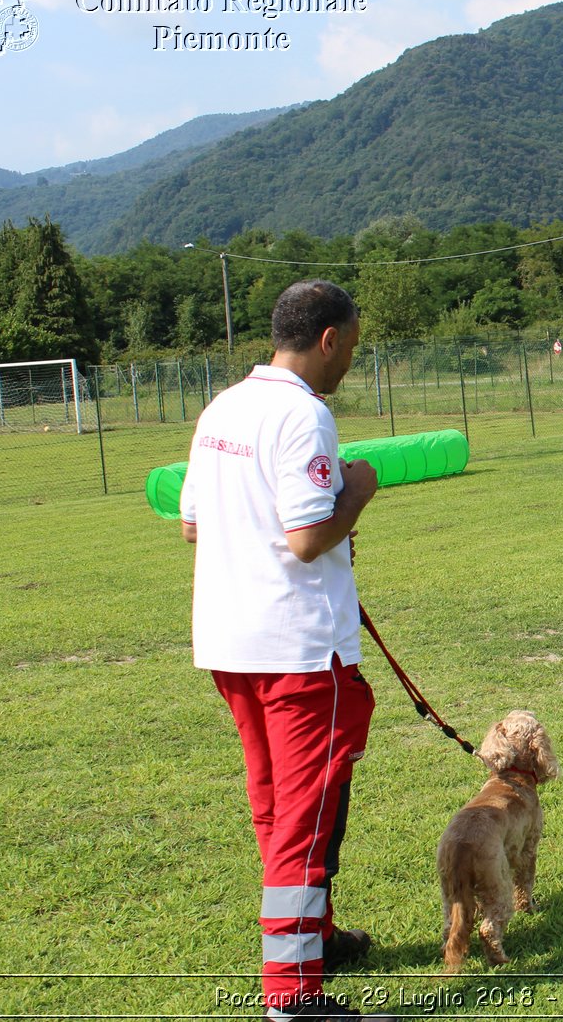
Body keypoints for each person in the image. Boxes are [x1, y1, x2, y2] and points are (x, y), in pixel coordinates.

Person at [179, 280, 390, 1022]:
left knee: (277, 808)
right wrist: (358, 492)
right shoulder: (306, 414)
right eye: (353, 346)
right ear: (328, 338)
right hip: (298, 650)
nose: (349, 363)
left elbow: (195, 525)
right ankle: (294, 999)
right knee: (305, 819)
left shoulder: (223, 407)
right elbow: (305, 540)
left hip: (230, 642)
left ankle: (316, 936)